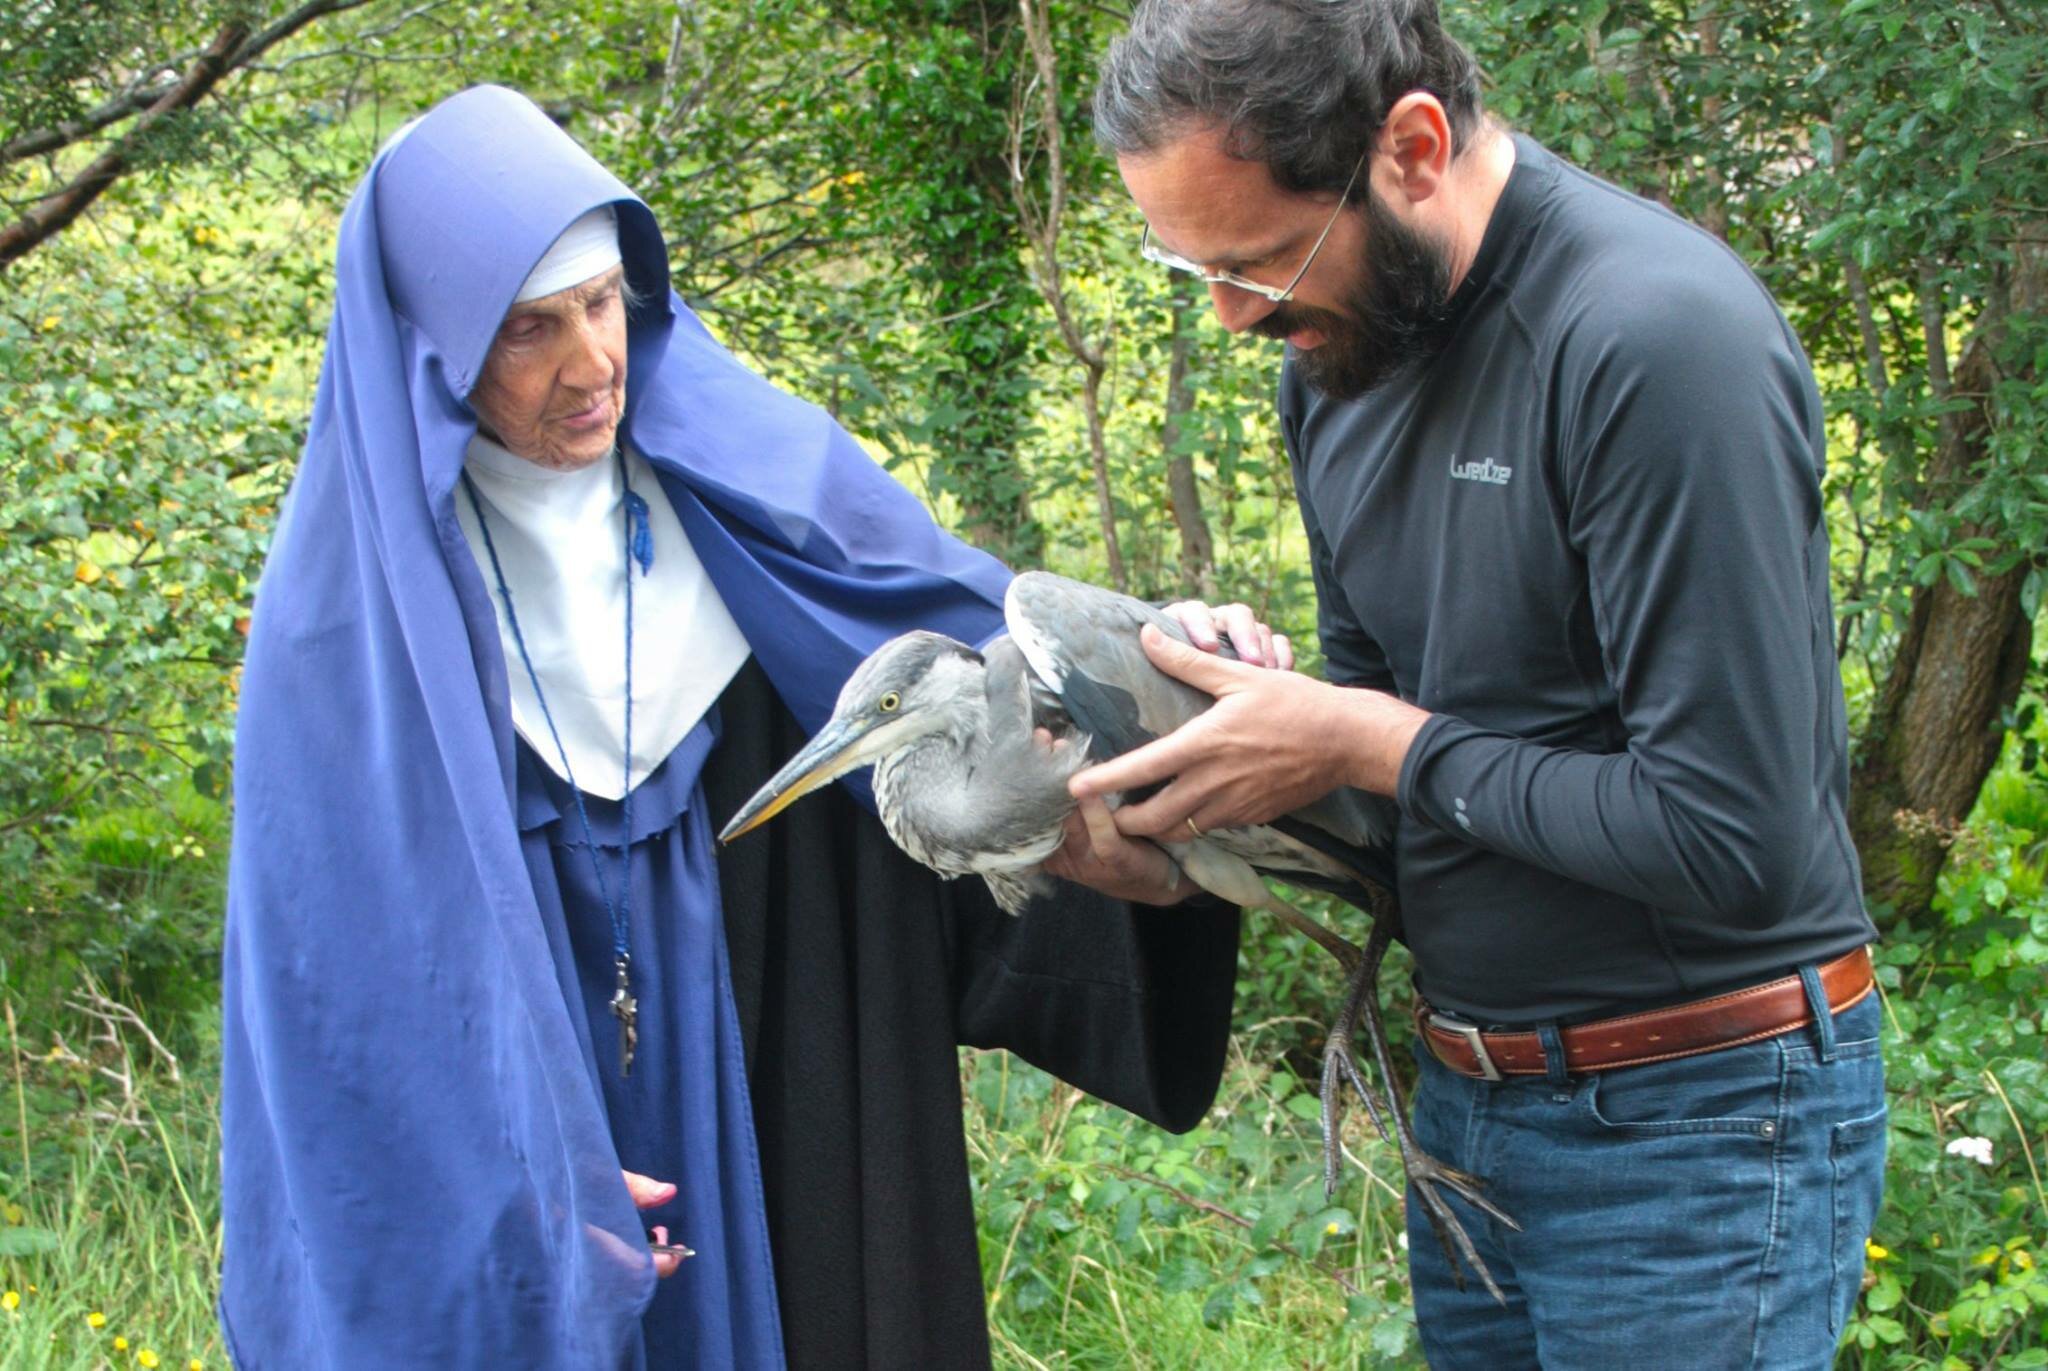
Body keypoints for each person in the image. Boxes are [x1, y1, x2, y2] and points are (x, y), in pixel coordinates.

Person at [219, 84, 1252, 1370]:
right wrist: (497, 1179)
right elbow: (331, 995)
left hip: (785, 1068)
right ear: (432, 348)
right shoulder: (346, 637)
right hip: (520, 1113)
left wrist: (1173, 680)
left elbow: (1005, 672)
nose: (592, 364)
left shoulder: (765, 503)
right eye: (530, 329)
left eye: (604, 303)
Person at [1077, 3, 1885, 1366]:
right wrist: (1224, 752)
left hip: (1699, 1129)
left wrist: (1367, 739)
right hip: (1467, 1117)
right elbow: (1410, 787)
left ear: (1411, 148)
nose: (1231, 316)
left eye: (1263, 261)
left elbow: (1734, 836)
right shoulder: (1339, 363)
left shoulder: (1652, 341)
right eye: (1193, 268)